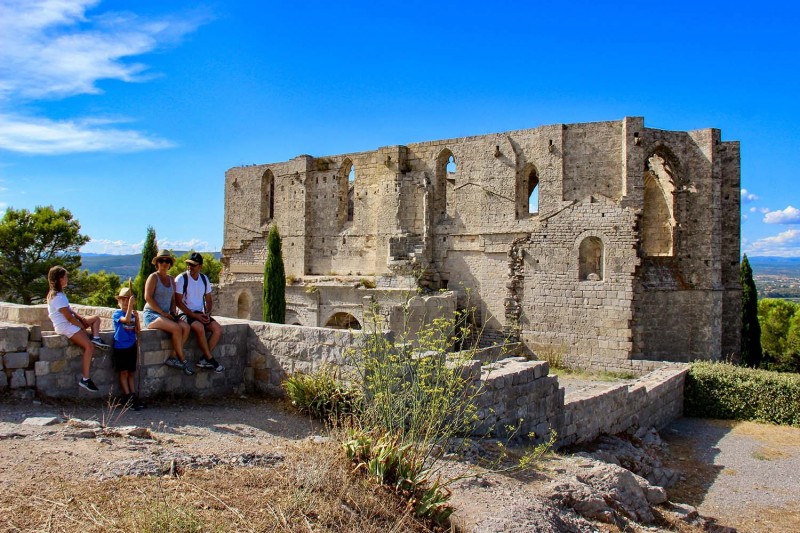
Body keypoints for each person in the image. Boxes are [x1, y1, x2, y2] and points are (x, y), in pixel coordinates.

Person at [46, 265, 110, 392]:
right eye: (65, 277)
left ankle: (96, 338)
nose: (67, 279)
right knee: (89, 347)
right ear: (59, 279)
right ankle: (86, 379)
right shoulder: (57, 297)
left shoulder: (59, 295)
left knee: (96, 319)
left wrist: (82, 320)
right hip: (65, 327)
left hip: (69, 324)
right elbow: (68, 317)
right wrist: (81, 327)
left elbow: (70, 311)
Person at [142, 249, 193, 375]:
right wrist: (162, 312)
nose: (164, 263)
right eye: (161, 261)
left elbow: (172, 300)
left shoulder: (171, 279)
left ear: (170, 264)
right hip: (152, 314)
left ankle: (173, 356)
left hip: (165, 315)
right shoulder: (153, 277)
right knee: (176, 329)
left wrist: (173, 313)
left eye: (167, 261)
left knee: (185, 327)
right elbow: (148, 297)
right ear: (157, 263)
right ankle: (183, 360)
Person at [175, 252, 224, 373]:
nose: (189, 267)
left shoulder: (204, 279)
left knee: (217, 329)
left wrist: (207, 313)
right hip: (185, 313)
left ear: (200, 266)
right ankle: (210, 359)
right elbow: (178, 302)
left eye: (193, 265)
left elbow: (209, 300)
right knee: (199, 328)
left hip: (199, 313)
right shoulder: (181, 279)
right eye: (188, 264)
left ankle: (203, 359)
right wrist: (194, 315)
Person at [112, 287, 144, 410]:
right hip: (120, 346)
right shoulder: (117, 314)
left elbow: (137, 330)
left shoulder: (133, 314)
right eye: (123, 300)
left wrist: (136, 318)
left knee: (131, 372)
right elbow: (125, 320)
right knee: (123, 372)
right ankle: (127, 396)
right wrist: (130, 308)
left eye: (128, 300)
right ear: (119, 302)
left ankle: (133, 395)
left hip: (131, 346)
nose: (125, 302)